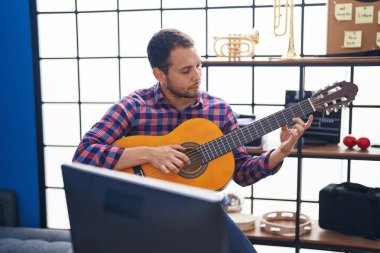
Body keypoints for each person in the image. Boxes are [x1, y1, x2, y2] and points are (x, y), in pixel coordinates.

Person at [73, 28, 313, 253]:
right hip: (140, 212)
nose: (197, 76)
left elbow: (241, 172)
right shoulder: (133, 106)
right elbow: (84, 156)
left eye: (199, 66)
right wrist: (149, 154)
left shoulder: (219, 111)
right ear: (160, 74)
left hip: (198, 213)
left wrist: (280, 152)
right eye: (186, 71)